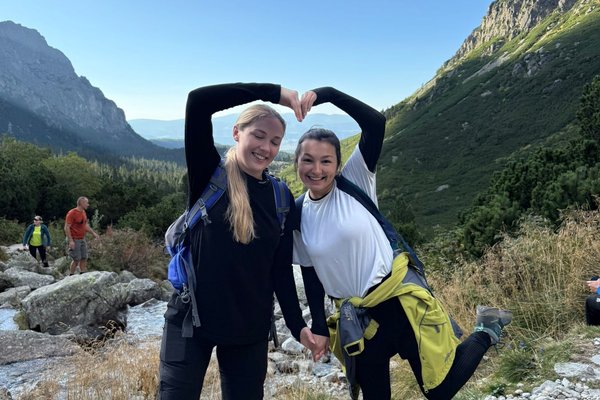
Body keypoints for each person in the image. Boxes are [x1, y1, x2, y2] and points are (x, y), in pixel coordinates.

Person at [292, 86, 513, 400]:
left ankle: (487, 329)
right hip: (358, 319)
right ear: (297, 163)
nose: (317, 169)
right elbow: (311, 273)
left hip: (398, 302)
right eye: (308, 160)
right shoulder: (298, 214)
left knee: (440, 390)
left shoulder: (355, 179)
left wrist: (326, 93)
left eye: (326, 161)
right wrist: (318, 325)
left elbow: (375, 123)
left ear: (338, 164)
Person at [159, 83, 319, 400]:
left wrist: (297, 324)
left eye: (275, 141)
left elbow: (280, 270)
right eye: (258, 135)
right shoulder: (208, 173)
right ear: (236, 133)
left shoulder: (280, 197)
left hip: (249, 330)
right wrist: (277, 94)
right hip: (191, 321)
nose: (266, 147)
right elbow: (199, 101)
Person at [64, 196, 99, 275]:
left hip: (82, 238)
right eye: (86, 203)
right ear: (81, 203)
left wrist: (93, 233)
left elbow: (85, 225)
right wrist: (71, 241)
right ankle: (71, 275)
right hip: (74, 238)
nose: (88, 204)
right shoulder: (72, 213)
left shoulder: (83, 212)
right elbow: (66, 227)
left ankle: (82, 273)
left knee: (84, 257)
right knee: (76, 259)